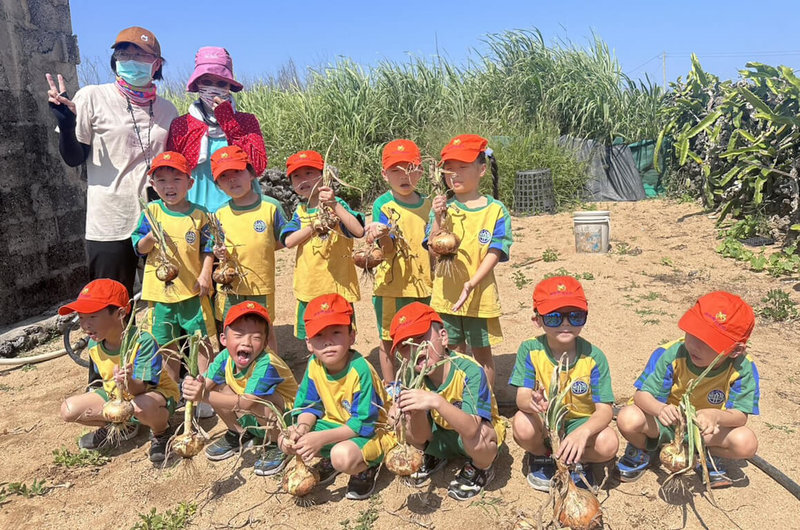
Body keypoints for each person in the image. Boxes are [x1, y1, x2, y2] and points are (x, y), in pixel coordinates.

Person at [46, 26, 178, 300]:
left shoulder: (168, 110)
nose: (130, 60)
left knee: (170, 303)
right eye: (123, 54)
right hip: (110, 222)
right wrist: (67, 125)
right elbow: (74, 158)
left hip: (159, 221)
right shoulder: (93, 96)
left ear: (156, 64)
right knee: (110, 305)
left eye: (140, 55)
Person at [616, 291, 759, 488]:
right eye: (692, 334)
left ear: (735, 350)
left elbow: (740, 416)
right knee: (628, 418)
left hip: (703, 430)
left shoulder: (743, 368)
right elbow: (641, 396)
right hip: (665, 423)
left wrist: (715, 416)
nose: (694, 345)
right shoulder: (672, 353)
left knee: (746, 443)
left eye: (708, 342)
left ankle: (702, 454)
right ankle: (645, 449)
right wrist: (660, 409)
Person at [279, 294, 392, 500]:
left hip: (373, 432)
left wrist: (320, 438)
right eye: (319, 335)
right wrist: (302, 429)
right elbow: (309, 406)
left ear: (352, 336)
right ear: (309, 343)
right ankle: (331, 457)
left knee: (341, 456)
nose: (328, 341)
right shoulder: (314, 365)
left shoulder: (360, 370)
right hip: (338, 425)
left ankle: (366, 466)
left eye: (336, 332)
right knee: (286, 437)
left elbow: (363, 425)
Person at [509, 276, 617, 491]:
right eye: (554, 317)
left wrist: (584, 432)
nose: (565, 323)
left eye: (575, 316)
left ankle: (576, 458)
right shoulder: (530, 350)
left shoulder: (594, 357)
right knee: (522, 424)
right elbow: (521, 397)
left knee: (609, 443)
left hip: (580, 421)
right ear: (537, 320)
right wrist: (532, 402)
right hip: (545, 422)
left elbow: (605, 410)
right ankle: (543, 455)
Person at [388, 302, 504, 501]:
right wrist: (413, 413)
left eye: (420, 338)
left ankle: (481, 467)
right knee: (398, 419)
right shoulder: (411, 377)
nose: (415, 349)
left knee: (480, 437)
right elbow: (420, 435)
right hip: (441, 435)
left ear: (443, 337)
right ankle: (435, 455)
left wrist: (436, 401)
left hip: (472, 435)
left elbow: (471, 429)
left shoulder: (469, 371)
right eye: (405, 346)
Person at [58, 279, 179, 464]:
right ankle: (122, 426)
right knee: (68, 410)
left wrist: (127, 380)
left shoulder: (142, 341)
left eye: (92, 317)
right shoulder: (93, 345)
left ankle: (161, 431)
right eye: (81, 317)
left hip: (151, 395)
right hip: (116, 396)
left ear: (120, 313)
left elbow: (141, 389)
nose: (85, 325)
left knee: (139, 406)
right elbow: (104, 380)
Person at [130, 151, 216, 406]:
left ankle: (204, 394)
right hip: (161, 295)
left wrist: (205, 274)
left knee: (200, 343)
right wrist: (150, 238)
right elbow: (139, 248)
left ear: (190, 183)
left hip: (192, 291)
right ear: (153, 185)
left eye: (177, 179)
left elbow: (209, 248)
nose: (170, 186)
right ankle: (174, 392)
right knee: (166, 345)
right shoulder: (151, 212)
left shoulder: (200, 214)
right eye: (162, 180)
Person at [424, 134, 510, 386]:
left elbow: (495, 252)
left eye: (462, 167)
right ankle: (459, 400)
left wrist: (472, 283)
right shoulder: (443, 209)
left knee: (482, 355)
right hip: (446, 296)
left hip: (480, 295)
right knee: (454, 352)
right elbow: (433, 249)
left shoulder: (495, 211)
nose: (455, 174)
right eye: (449, 169)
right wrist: (437, 218)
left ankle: (486, 403)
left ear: (482, 169)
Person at [182, 301, 298, 476]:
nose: (247, 342)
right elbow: (207, 384)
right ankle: (240, 433)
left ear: (265, 342)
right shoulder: (224, 358)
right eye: (238, 335)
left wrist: (203, 395)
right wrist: (193, 386)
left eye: (256, 337)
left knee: (260, 401)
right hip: (255, 414)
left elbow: (246, 403)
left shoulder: (267, 363)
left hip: (287, 418)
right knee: (219, 388)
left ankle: (279, 443)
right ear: (223, 339)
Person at [364, 139, 433, 388]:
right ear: (385, 174)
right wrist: (382, 234)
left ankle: (421, 382)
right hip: (391, 287)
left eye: (410, 168)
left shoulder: (428, 205)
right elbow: (388, 250)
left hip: (424, 284)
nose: (404, 176)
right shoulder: (383, 205)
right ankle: (391, 384)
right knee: (388, 337)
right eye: (396, 170)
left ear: (421, 171)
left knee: (422, 334)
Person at [167, 46, 266, 213]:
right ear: (197, 84)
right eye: (207, 82)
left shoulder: (246, 121)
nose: (213, 88)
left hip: (243, 210)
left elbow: (258, 166)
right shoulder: (182, 125)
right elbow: (172, 173)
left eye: (221, 83)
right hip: (197, 212)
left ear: (229, 86)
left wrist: (228, 121)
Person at [279, 151, 365, 340]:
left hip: (339, 287)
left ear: (324, 175)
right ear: (292, 184)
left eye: (309, 173)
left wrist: (334, 205)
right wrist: (313, 226)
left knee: (341, 335)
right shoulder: (300, 211)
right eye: (297, 176)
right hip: (309, 288)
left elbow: (358, 231)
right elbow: (289, 241)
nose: (303, 179)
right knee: (312, 337)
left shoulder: (338, 205)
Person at [210, 145, 287, 353]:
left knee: (264, 328)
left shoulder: (271, 206)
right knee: (232, 328)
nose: (232, 180)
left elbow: (283, 239)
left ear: (251, 173)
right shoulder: (219, 213)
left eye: (237, 172)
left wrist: (262, 249)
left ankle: (271, 367)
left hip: (260, 283)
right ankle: (237, 368)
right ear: (218, 185)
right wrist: (218, 252)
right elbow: (214, 245)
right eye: (224, 176)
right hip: (229, 286)